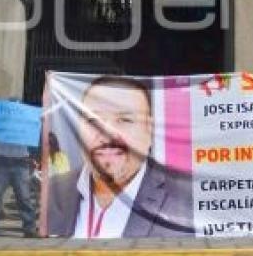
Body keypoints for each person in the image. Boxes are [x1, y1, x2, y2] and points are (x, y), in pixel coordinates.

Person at [46, 76, 193, 238]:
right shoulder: (52, 192)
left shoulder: (187, 198)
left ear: (149, 130)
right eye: (93, 120)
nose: (108, 134)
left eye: (124, 120)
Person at [0, 98, 38, 240]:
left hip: (21, 162)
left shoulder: (26, 122)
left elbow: (34, 141)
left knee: (24, 197)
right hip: (1, 161)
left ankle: (29, 228)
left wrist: (35, 123)